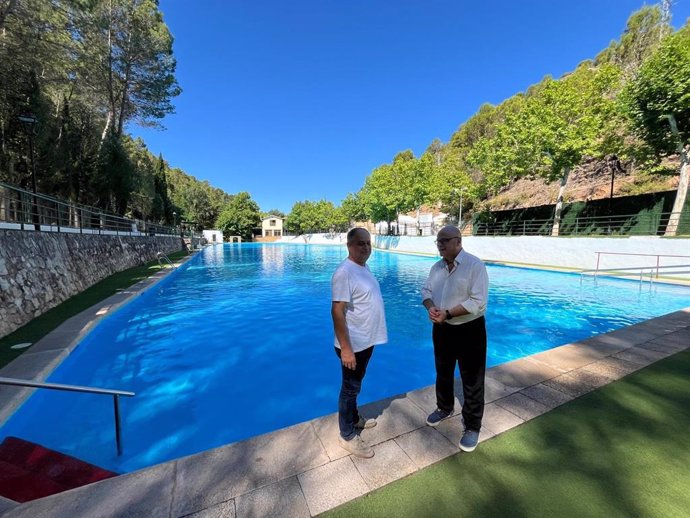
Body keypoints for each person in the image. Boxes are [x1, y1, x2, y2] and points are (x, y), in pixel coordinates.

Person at [421, 225, 489, 452]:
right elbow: (426, 292)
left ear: (458, 241)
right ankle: (444, 407)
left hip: (469, 329)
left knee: (472, 379)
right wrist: (431, 308)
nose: (440, 245)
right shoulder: (436, 267)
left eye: (444, 241)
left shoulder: (474, 265)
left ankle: (472, 425)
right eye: (438, 241)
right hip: (442, 329)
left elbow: (477, 302)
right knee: (443, 371)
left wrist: (448, 313)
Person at [331, 227, 388, 458]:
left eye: (368, 243)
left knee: (355, 385)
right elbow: (337, 311)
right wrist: (346, 349)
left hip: (365, 341)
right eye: (360, 243)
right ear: (349, 246)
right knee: (349, 388)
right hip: (352, 345)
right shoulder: (344, 272)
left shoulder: (363, 267)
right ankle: (346, 435)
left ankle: (354, 419)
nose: (365, 247)